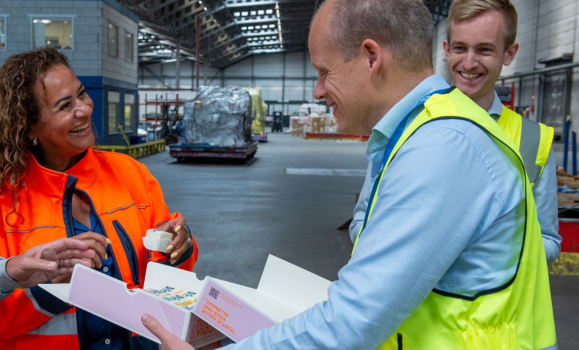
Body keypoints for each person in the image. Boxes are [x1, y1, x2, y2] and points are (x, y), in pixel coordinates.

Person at [141, 0, 556, 349]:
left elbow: (353, 321)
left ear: (371, 57)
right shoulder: (416, 132)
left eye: (325, 71)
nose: (318, 91)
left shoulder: (443, 146)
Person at [0, 48, 198, 350]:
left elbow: (171, 278)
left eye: (81, 94)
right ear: (30, 126)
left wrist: (180, 245)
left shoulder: (131, 173)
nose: (83, 109)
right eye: (64, 106)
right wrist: (52, 287)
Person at [443, 0, 561, 265]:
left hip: (499, 305)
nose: (469, 63)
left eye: (484, 50)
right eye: (460, 48)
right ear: (447, 50)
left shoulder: (533, 142)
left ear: (509, 53)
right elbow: (364, 224)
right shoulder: (409, 124)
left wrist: (486, 251)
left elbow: (549, 242)